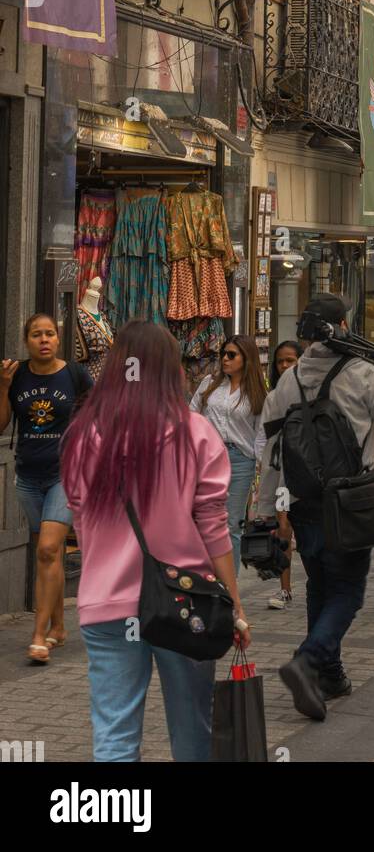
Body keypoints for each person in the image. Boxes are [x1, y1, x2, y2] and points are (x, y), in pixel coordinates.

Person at [61, 320, 250, 762]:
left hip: (108, 602)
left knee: (114, 736)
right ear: (171, 369)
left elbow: (82, 521)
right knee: (193, 733)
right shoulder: (196, 432)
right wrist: (234, 603)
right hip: (187, 604)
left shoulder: (85, 436)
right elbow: (213, 526)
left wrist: (103, 571)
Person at [258, 294, 374, 719]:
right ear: (342, 326)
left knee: (320, 585)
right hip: (350, 501)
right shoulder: (361, 372)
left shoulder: (288, 379)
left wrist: (266, 510)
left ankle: (329, 673)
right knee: (348, 590)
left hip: (304, 502)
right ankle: (307, 661)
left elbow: (271, 449)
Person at [0, 314, 92, 664]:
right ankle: (58, 626)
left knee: (50, 549)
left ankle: (38, 636)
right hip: (27, 476)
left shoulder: (75, 375)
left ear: (58, 338)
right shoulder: (17, 374)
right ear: (26, 341)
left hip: (64, 475)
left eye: (50, 334)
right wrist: (2, 386)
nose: (44, 340)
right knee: (45, 554)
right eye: (37, 334)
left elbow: (96, 414)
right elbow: (2, 424)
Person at [190, 334, 267, 574]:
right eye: (223, 353)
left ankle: (228, 588)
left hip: (240, 460)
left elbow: (261, 433)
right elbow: (192, 416)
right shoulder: (210, 383)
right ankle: (205, 578)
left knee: (231, 523)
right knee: (203, 520)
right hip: (208, 458)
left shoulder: (256, 392)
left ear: (246, 358)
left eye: (231, 355)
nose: (224, 358)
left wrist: (262, 471)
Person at [265, 340, 302, 609]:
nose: (286, 366)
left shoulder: (312, 392)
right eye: (281, 361)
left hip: (309, 474)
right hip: (281, 475)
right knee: (283, 529)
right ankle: (285, 588)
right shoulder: (273, 397)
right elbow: (264, 438)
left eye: (291, 360)